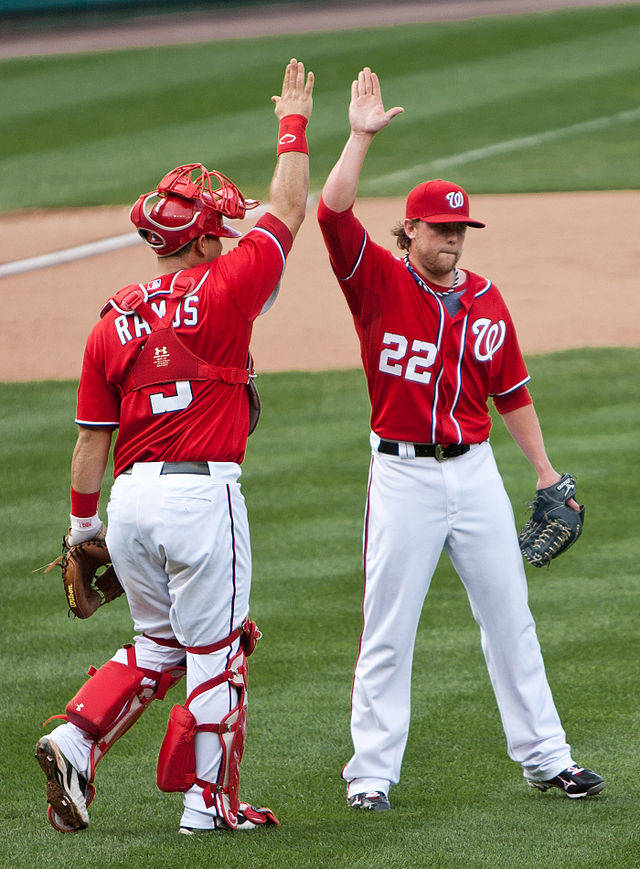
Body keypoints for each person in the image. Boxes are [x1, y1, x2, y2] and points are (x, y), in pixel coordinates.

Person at [36, 58, 314, 835]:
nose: (227, 237)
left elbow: (92, 442)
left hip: (129, 503)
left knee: (157, 646)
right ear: (197, 243)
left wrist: (83, 533)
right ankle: (210, 806)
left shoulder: (109, 322)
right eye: (217, 232)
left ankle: (74, 739)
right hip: (200, 498)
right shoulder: (224, 290)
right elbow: (288, 206)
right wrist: (292, 122)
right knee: (220, 652)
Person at [317, 67, 604, 811]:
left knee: (511, 617)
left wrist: (544, 472)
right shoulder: (374, 282)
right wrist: (358, 137)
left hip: (473, 474)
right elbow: (331, 212)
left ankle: (548, 758)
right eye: (439, 228)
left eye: (459, 228)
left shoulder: (484, 298)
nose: (451, 238)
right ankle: (371, 772)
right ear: (408, 229)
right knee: (389, 625)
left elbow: (511, 391)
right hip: (403, 478)